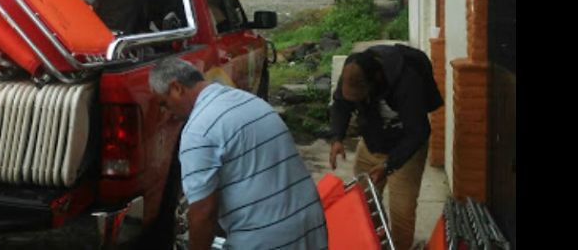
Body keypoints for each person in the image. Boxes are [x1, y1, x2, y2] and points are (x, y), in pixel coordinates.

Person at [149, 57, 328, 250]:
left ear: (177, 88)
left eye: (164, 103)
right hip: (313, 230)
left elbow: (203, 213)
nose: (166, 113)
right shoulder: (249, 101)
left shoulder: (198, 130)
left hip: (268, 241)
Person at [328, 44, 443, 250]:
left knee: (402, 214)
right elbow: (340, 104)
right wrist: (337, 138)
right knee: (362, 204)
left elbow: (419, 131)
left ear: (377, 79)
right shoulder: (352, 68)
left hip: (405, 151)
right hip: (372, 143)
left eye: (362, 95)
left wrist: (389, 165)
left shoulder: (408, 80)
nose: (360, 100)